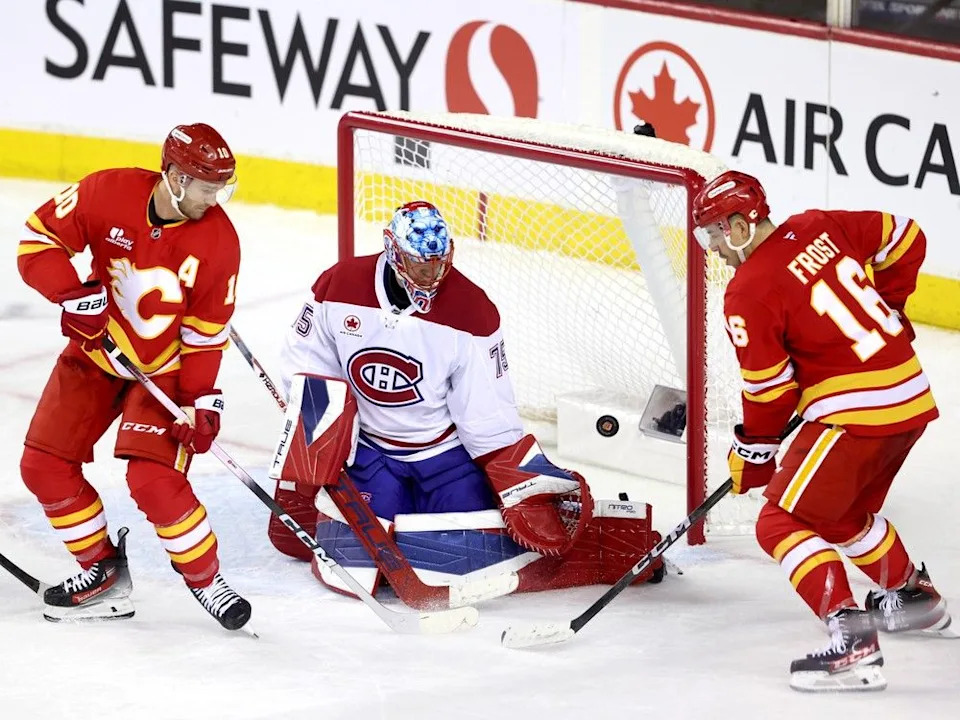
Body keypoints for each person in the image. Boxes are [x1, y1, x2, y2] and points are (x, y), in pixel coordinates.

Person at [269, 200, 663, 596]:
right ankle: (319, 505)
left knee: (476, 551)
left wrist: (513, 475)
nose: (432, 273)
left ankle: (606, 546)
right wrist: (321, 439)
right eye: (421, 263)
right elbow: (306, 363)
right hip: (369, 452)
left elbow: (487, 410)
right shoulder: (340, 285)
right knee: (355, 567)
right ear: (392, 250)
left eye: (439, 262)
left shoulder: (472, 311)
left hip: (442, 457)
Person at [692, 170, 954, 692]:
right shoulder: (820, 224)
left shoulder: (748, 291)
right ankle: (916, 599)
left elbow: (769, 392)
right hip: (909, 399)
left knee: (777, 523)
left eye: (716, 234)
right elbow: (906, 236)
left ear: (741, 224)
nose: (713, 249)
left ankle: (853, 642)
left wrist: (755, 453)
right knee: (839, 514)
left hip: (856, 416)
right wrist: (893, 305)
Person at [16, 123, 251, 631]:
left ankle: (207, 580)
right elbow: (37, 241)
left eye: (222, 188)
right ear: (174, 176)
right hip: (94, 356)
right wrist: (71, 294)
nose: (216, 198)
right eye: (208, 186)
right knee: (42, 466)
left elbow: (206, 335)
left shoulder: (220, 242)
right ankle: (101, 571)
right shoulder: (108, 191)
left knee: (154, 481)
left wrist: (200, 401)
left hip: (164, 373)